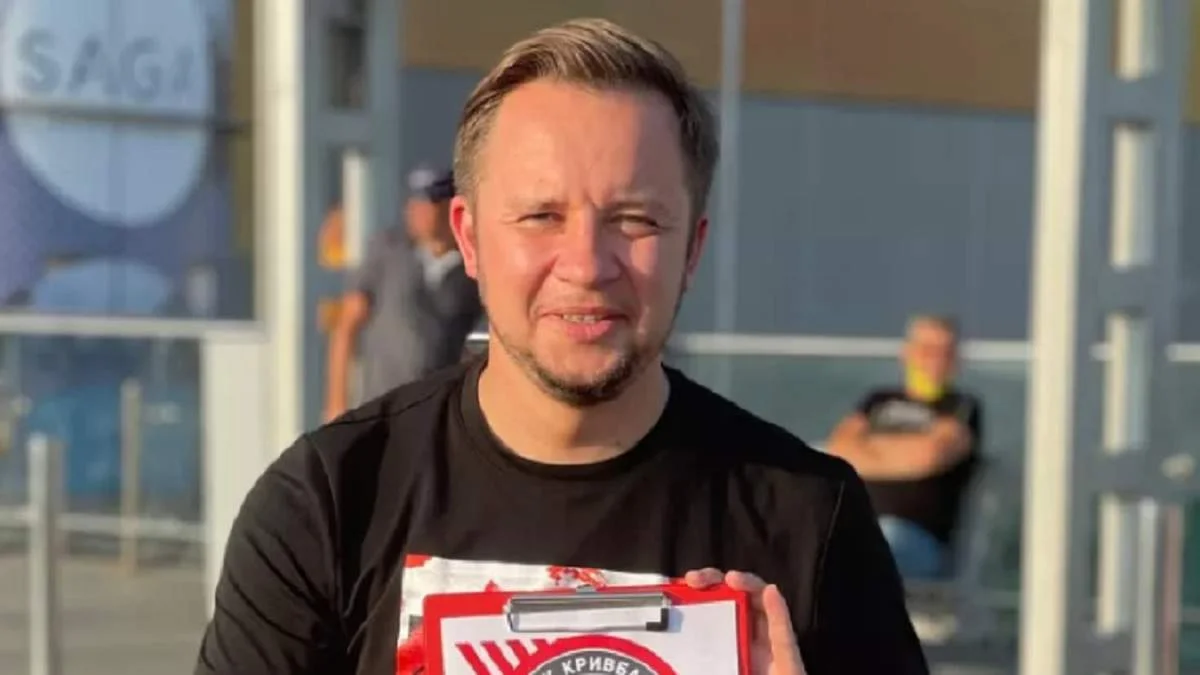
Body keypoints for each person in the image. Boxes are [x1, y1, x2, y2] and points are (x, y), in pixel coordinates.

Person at [196, 18, 926, 675]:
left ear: (692, 250)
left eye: (635, 220)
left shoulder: (808, 520)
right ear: (470, 238)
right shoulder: (330, 502)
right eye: (541, 215)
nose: (586, 264)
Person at [828, 314, 984, 581]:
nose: (935, 359)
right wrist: (904, 452)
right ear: (907, 352)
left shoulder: (962, 407)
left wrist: (868, 450)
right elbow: (838, 451)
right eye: (927, 349)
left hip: (917, 541)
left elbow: (929, 456)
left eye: (945, 351)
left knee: (871, 546)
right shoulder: (877, 400)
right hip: (853, 523)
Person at [324, 166, 483, 420]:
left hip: (441, 413)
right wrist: (337, 404)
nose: (420, 213)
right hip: (382, 408)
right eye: (415, 204)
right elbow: (347, 325)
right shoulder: (388, 253)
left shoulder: (473, 267)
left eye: (430, 204)